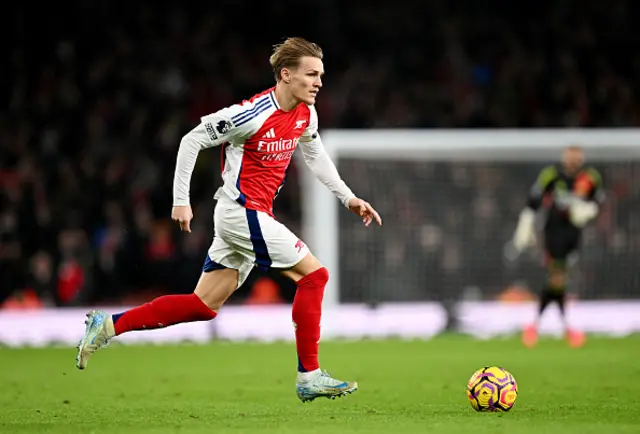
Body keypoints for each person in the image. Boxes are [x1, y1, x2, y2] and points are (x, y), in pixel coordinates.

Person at [75, 37, 382, 402]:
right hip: (240, 212)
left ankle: (106, 326)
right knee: (315, 276)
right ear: (286, 75)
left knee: (203, 306)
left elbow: (315, 156)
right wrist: (180, 201)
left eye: (321, 75)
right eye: (311, 74)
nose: (318, 82)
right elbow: (191, 140)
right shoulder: (249, 114)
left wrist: (348, 197)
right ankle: (309, 376)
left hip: (251, 216)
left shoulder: (305, 114)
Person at [511, 145, 603, 348]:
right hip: (553, 232)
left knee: (557, 281)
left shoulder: (590, 178)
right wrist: (525, 226)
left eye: (576, 158)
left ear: (581, 159)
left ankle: (539, 325)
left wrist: (588, 210)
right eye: (569, 158)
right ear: (564, 159)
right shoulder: (551, 175)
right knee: (558, 277)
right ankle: (560, 327)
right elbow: (533, 200)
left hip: (574, 234)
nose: (572, 162)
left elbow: (598, 201)